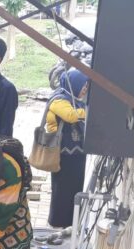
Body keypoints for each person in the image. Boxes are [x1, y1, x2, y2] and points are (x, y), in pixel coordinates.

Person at [45, 69, 89, 228]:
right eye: (83, 85)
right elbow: (70, 115)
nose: (84, 89)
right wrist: (90, 112)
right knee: (62, 192)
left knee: (73, 190)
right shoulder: (59, 99)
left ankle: (69, 223)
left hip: (75, 155)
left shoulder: (73, 99)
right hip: (63, 155)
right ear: (73, 83)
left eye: (86, 86)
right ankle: (58, 223)